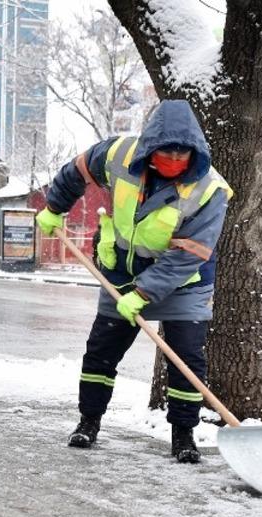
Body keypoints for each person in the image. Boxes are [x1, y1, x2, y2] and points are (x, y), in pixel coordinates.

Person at [35, 99, 231, 464]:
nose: (174, 160)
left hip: (185, 280)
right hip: (122, 272)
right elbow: (76, 171)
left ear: (194, 152)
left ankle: (184, 435)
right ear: (150, 147)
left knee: (186, 360)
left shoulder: (209, 189)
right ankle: (88, 421)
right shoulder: (118, 154)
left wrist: (143, 293)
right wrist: (54, 208)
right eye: (166, 153)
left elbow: (190, 253)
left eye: (182, 155)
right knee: (101, 351)